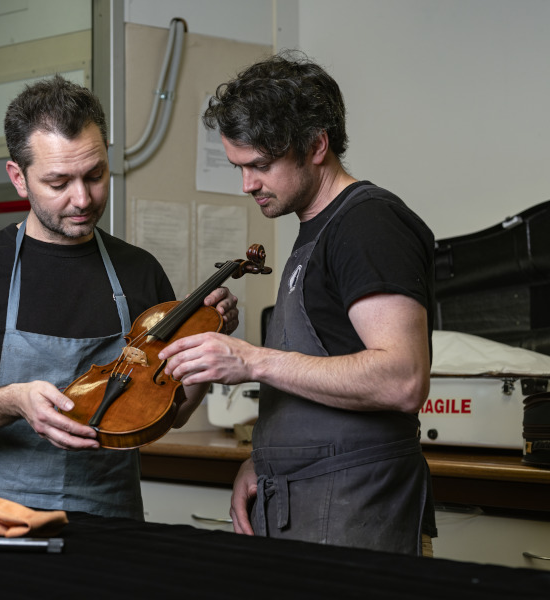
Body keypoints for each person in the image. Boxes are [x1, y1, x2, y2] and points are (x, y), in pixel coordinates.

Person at [0, 75, 238, 520]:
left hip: (111, 522)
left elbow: (171, 413)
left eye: (95, 175)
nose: (82, 198)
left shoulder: (139, 271)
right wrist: (12, 400)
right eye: (58, 183)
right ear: (19, 178)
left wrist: (204, 343)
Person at [158, 51, 437, 555]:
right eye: (239, 167)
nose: (247, 185)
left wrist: (250, 359)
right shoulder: (315, 230)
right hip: (303, 497)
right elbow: (322, 372)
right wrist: (269, 461)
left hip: (358, 508)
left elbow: (402, 379)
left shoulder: (367, 226)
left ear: (316, 145)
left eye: (261, 165)